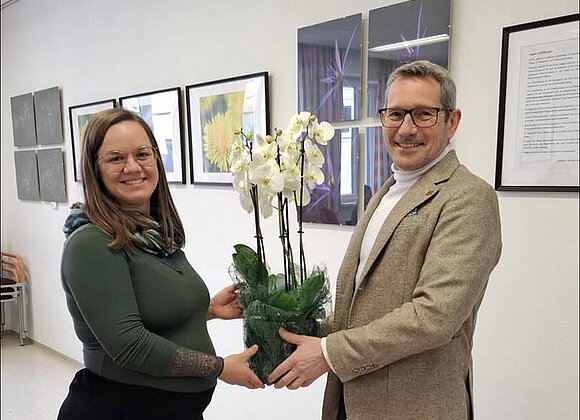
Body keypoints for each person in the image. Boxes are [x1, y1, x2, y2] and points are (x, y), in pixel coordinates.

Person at [268, 60, 502, 420]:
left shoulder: (469, 197)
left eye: (423, 114)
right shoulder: (389, 190)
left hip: (417, 408)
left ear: (452, 121)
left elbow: (434, 316)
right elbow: (363, 308)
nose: (406, 128)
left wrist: (328, 353)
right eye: (395, 114)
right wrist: (289, 325)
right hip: (351, 400)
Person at [58, 108, 264, 420]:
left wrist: (207, 309)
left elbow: (145, 311)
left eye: (142, 154)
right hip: (117, 409)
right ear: (94, 168)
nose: (132, 167)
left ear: (155, 158)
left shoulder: (152, 234)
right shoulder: (92, 243)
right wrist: (219, 367)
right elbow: (130, 345)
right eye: (116, 158)